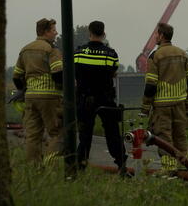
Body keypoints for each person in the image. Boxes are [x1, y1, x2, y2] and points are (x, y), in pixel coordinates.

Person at [74, 21, 128, 175]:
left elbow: (75, 74)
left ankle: (80, 168)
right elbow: (113, 72)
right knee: (113, 134)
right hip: (105, 99)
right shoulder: (111, 54)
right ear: (103, 34)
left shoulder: (78, 53)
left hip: (85, 99)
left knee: (85, 136)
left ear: (89, 33)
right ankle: (121, 166)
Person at [140, 23, 188, 173]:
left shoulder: (155, 56)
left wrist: (145, 109)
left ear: (162, 35)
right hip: (180, 104)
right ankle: (185, 167)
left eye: (157, 34)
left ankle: (170, 170)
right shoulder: (182, 54)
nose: (155, 37)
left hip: (162, 106)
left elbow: (151, 85)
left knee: (164, 139)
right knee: (181, 137)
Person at [12, 18, 63, 164]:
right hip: (50, 97)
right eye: (54, 30)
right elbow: (58, 74)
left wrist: (24, 90)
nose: (56, 33)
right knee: (56, 132)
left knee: (33, 135)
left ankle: (34, 169)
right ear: (46, 32)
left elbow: (17, 76)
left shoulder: (25, 50)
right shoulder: (52, 50)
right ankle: (51, 165)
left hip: (30, 97)